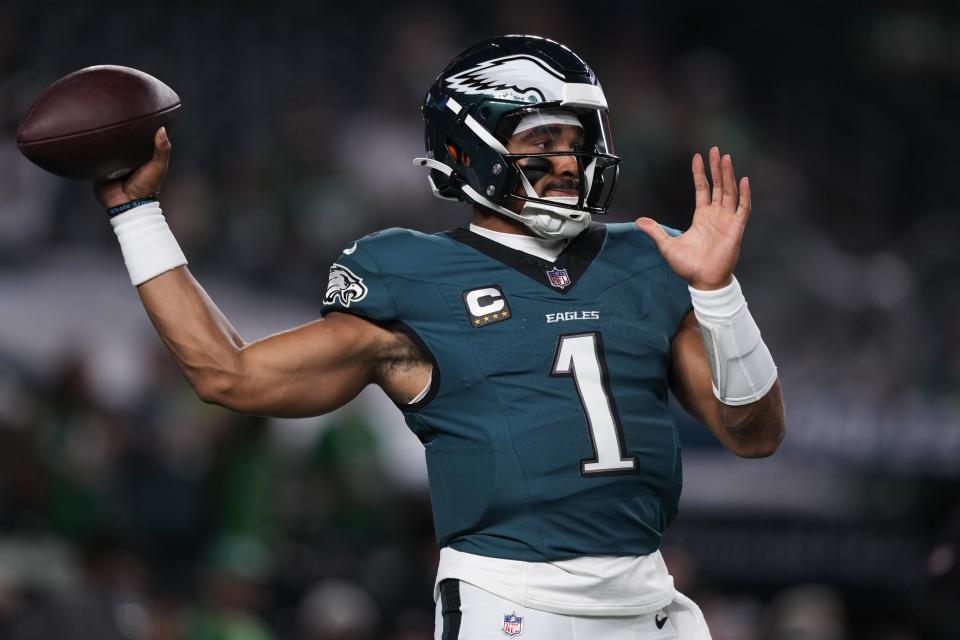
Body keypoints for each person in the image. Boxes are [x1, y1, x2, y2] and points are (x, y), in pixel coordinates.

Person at [94, 35, 785, 640]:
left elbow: (754, 434)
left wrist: (720, 292)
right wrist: (137, 214)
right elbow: (228, 375)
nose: (569, 162)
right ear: (471, 146)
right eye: (543, 140)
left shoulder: (646, 257)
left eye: (576, 140)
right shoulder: (413, 274)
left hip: (650, 604)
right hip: (513, 605)